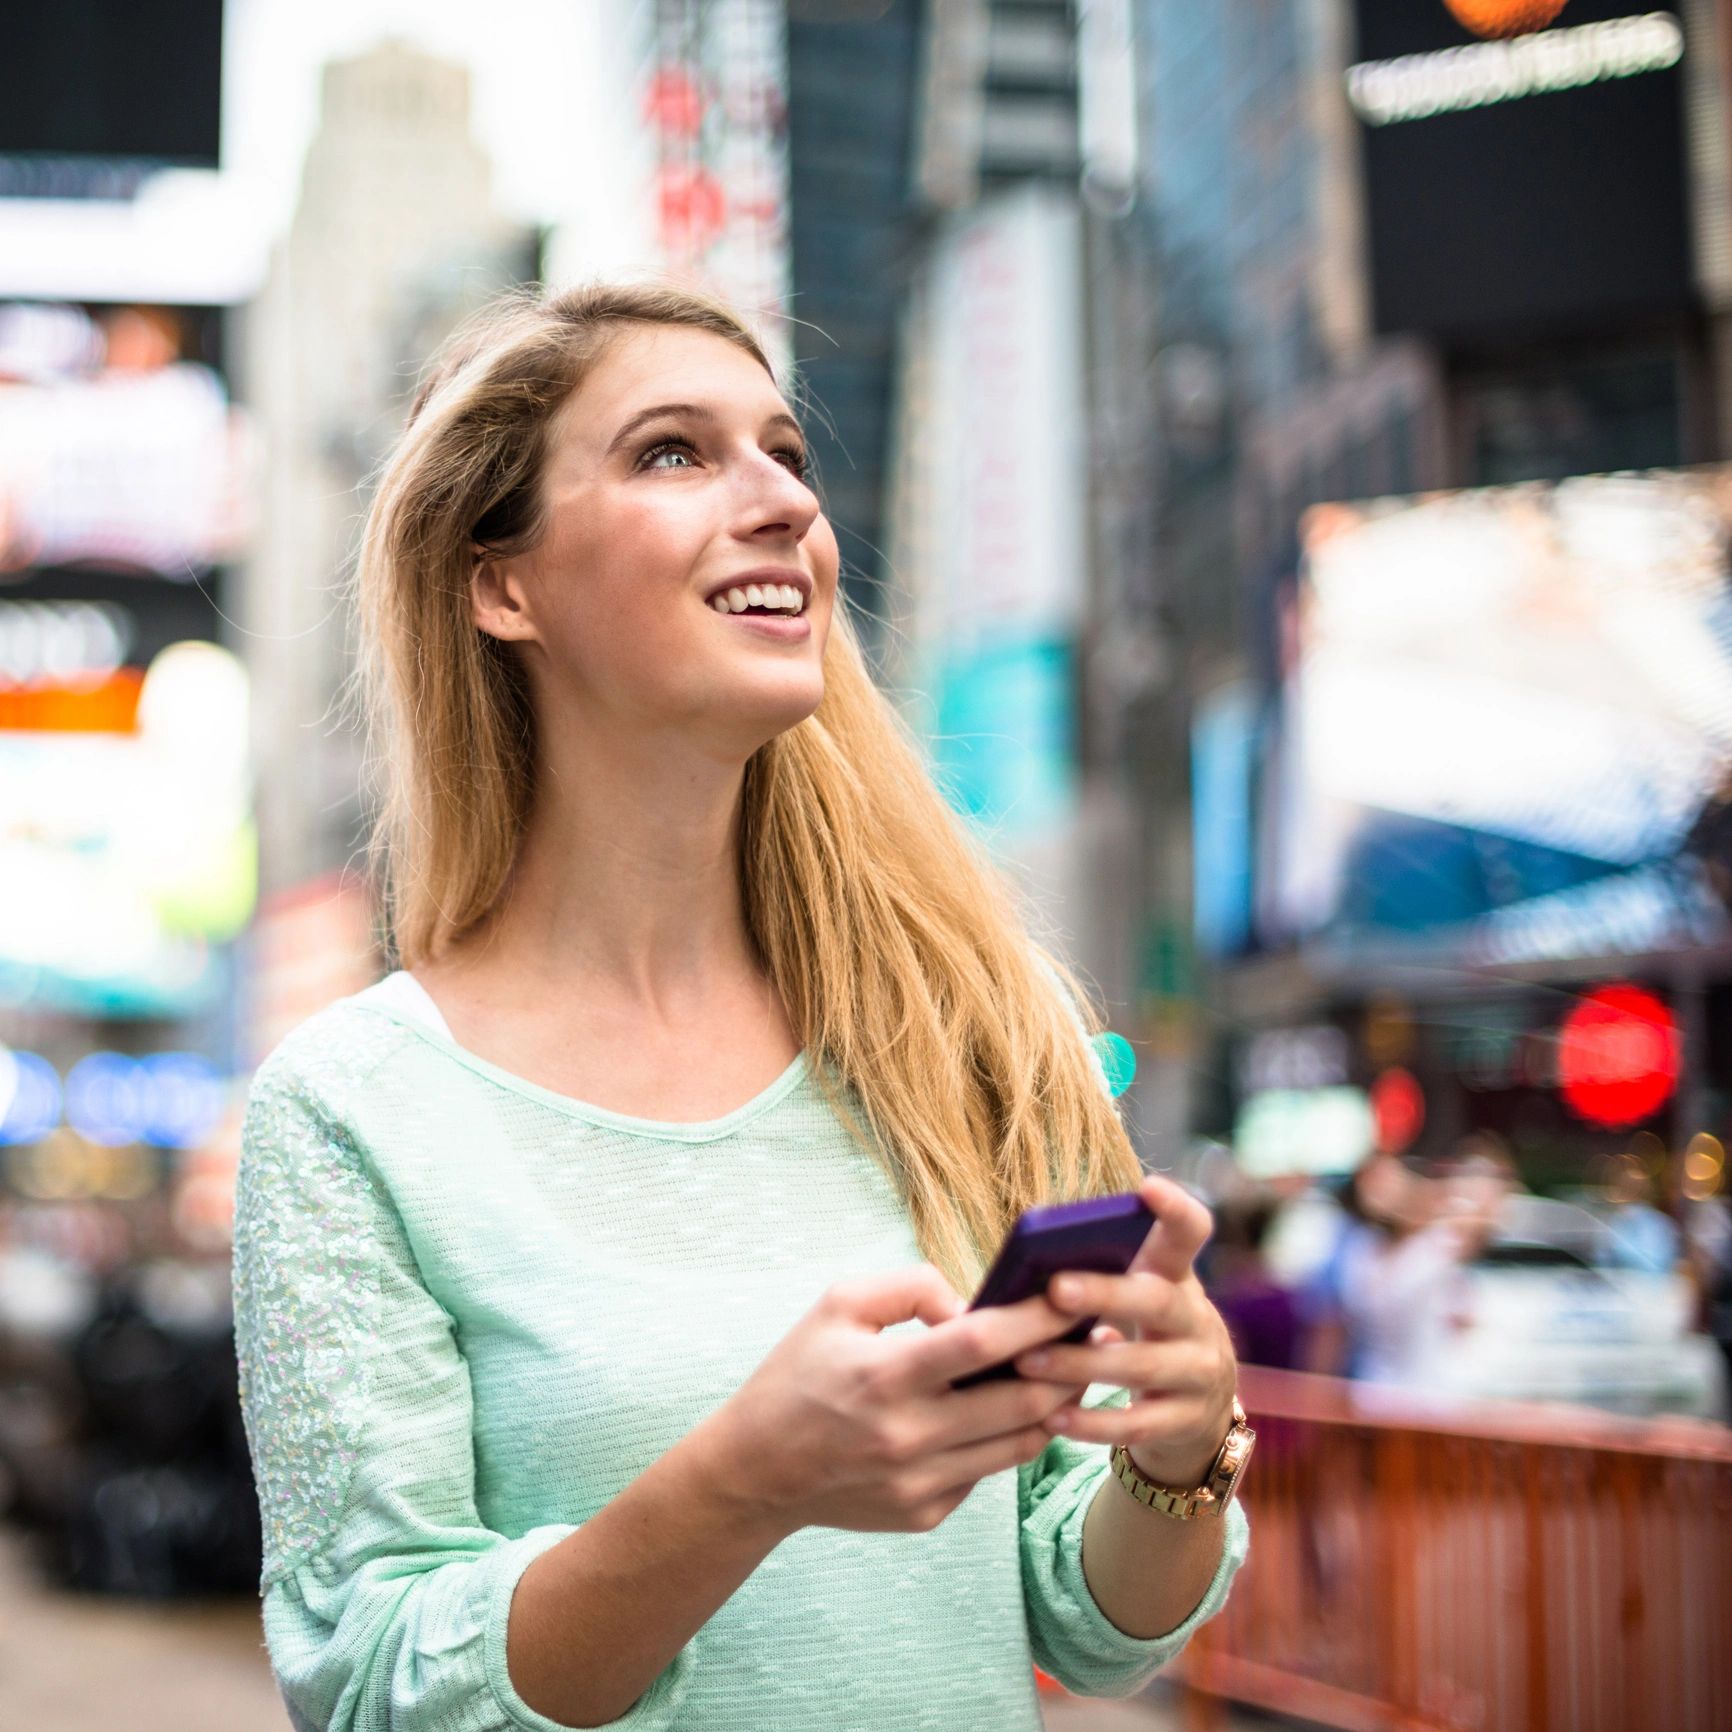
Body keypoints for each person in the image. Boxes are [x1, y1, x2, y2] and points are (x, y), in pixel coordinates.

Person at [230, 281, 1249, 1732]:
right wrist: (746, 1483)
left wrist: (1181, 1446)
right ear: (499, 583)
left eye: (788, 452)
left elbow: (1096, 1632)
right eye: (671, 452)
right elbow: (379, 1686)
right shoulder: (352, 1109)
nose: (779, 501)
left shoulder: (974, 1031)